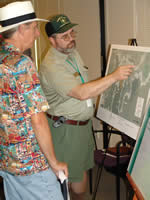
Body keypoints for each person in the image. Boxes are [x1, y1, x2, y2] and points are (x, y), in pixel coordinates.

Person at [39, 14, 134, 200]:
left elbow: (82, 83)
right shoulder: (51, 66)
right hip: (67, 130)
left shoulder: (71, 52)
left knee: (79, 170)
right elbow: (81, 93)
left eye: (72, 32)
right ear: (51, 40)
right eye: (64, 36)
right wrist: (114, 77)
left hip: (80, 126)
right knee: (67, 178)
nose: (71, 38)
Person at [0, 2, 68, 200]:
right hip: (32, 167)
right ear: (22, 29)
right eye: (34, 27)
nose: (38, 34)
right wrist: (54, 163)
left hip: (7, 162)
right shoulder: (22, 65)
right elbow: (37, 119)